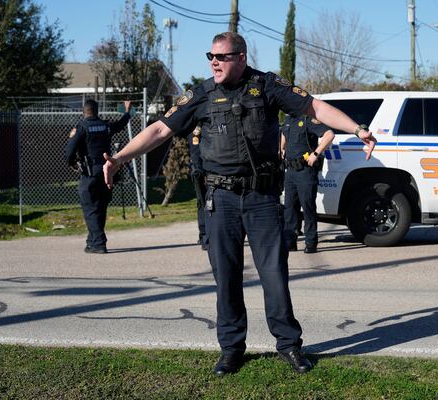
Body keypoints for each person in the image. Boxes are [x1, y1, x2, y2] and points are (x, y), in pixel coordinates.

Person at [102, 32, 376, 376]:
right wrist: (120, 158)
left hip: (262, 197)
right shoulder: (201, 94)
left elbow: (315, 107)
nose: (214, 62)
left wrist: (358, 128)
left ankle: (290, 346)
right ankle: (231, 349)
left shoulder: (267, 86)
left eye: (222, 56)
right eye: (210, 56)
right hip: (221, 199)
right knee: (227, 277)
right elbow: (159, 130)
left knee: (274, 274)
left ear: (241, 57)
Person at [65, 99, 132, 254]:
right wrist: (127, 112)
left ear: (84, 112)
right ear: (97, 111)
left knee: (90, 208)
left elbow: (69, 150)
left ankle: (99, 243)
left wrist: (72, 163)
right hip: (106, 172)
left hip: (89, 174)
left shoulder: (81, 128)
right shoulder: (105, 126)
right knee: (100, 208)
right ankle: (92, 241)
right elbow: (121, 124)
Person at [281, 115, 335, 253]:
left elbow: (329, 135)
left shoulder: (308, 120)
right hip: (290, 171)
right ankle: (290, 242)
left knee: (308, 207)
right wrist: (281, 149)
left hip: (305, 171)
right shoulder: (288, 120)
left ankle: (310, 242)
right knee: (289, 208)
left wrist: (316, 153)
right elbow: (284, 135)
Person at [188, 123, 208, 250]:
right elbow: (195, 150)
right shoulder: (195, 129)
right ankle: (204, 236)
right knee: (202, 203)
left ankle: (207, 235)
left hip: (212, 168)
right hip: (200, 170)